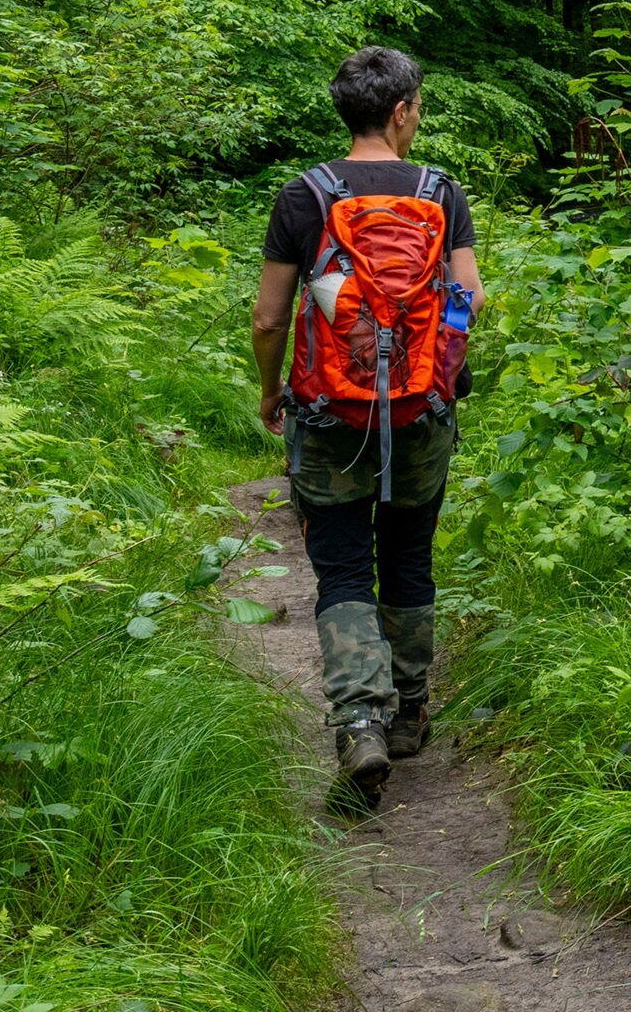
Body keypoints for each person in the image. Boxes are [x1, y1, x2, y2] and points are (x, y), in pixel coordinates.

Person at [250, 46, 480, 799]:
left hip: (326, 413)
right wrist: (440, 367)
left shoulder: (302, 195)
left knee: (344, 567)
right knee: (409, 557)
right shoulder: (440, 190)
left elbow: (268, 316)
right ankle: (410, 711)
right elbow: (467, 299)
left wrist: (270, 391)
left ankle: (360, 723)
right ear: (403, 109)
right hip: (420, 411)